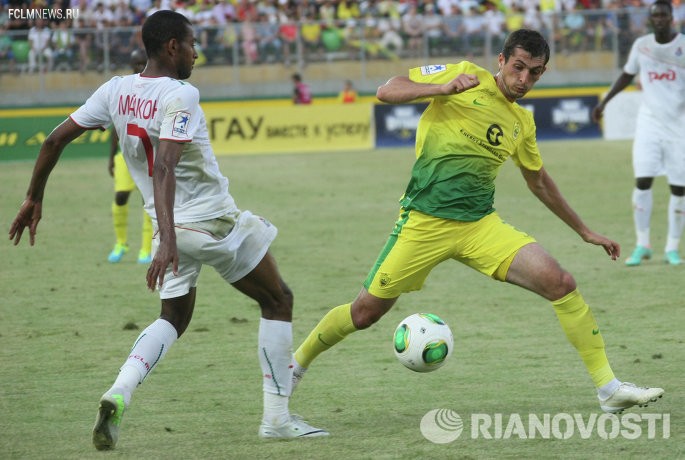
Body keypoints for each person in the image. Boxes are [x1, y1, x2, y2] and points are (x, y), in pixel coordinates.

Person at [290, 29, 664, 419]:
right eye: (518, 67)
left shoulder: (522, 122)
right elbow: (388, 90)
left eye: (534, 73)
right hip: (424, 224)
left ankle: (609, 389)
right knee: (365, 313)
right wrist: (442, 88)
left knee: (562, 284)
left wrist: (584, 231)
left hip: (479, 227)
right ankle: (294, 365)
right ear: (501, 61)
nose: (523, 80)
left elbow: (538, 181)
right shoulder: (465, 75)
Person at [8, 10, 327, 451]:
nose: (197, 52)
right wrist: (172, 239)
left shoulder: (114, 89)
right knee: (278, 299)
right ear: (172, 46)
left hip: (165, 228)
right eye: (193, 43)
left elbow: (53, 140)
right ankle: (276, 418)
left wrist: (34, 197)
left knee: (173, 318)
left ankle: (120, 390)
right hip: (209, 222)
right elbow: (165, 164)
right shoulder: (182, 94)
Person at [592, 0, 685, 267]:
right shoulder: (642, 45)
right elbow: (626, 75)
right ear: (650, 19)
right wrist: (604, 102)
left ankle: (672, 247)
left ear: (672, 18)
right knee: (642, 181)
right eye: (655, 15)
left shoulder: (683, 46)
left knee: (679, 188)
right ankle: (642, 244)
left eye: (663, 15)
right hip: (649, 125)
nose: (659, 19)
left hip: (679, 127)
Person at [107, 48, 153, 264]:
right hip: (124, 155)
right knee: (121, 196)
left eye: (143, 63)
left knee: (148, 201)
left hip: (148, 154)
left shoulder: (158, 86)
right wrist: (110, 158)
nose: (139, 67)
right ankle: (121, 242)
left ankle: (146, 249)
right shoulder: (123, 88)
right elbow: (115, 127)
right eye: (136, 64)